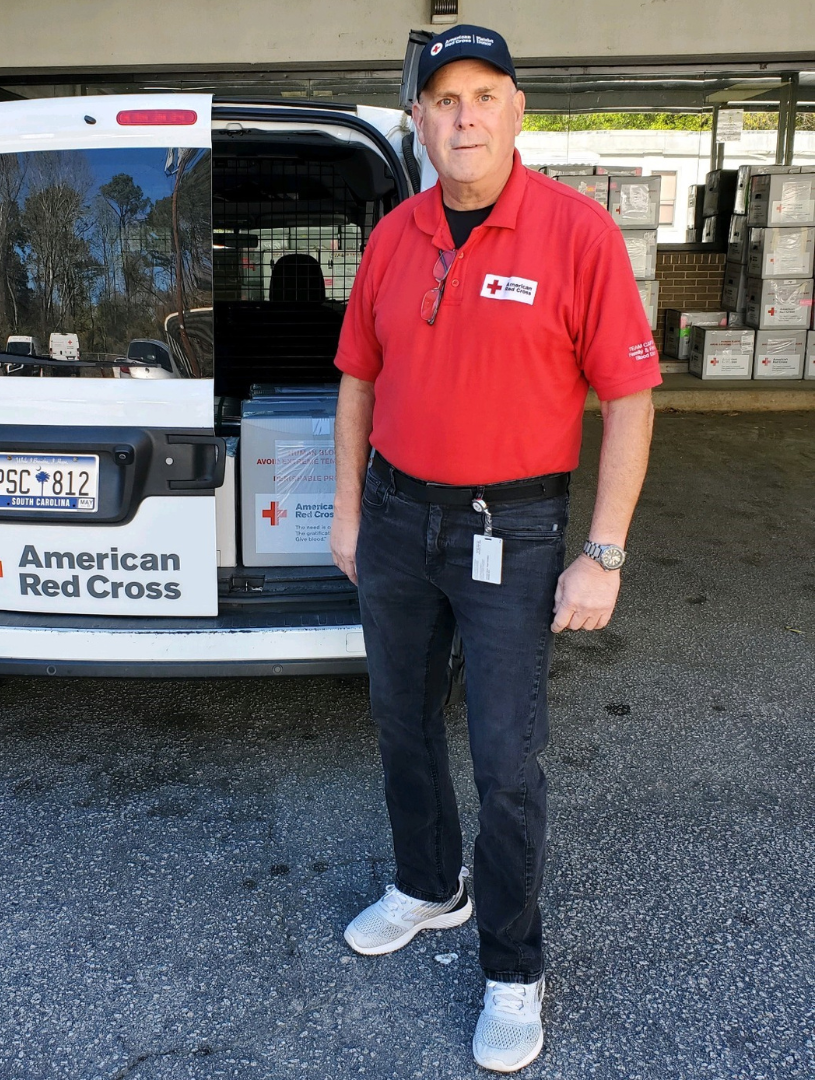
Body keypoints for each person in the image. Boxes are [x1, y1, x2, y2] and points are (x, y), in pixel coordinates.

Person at [329, 24, 660, 1074]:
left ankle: (514, 969)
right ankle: (430, 885)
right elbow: (358, 382)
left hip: (510, 530)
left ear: (518, 110)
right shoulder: (395, 236)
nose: (463, 115)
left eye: (484, 95)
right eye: (444, 100)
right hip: (394, 518)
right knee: (400, 721)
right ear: (418, 121)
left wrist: (601, 551)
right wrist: (346, 515)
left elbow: (632, 396)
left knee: (508, 760)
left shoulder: (576, 233)